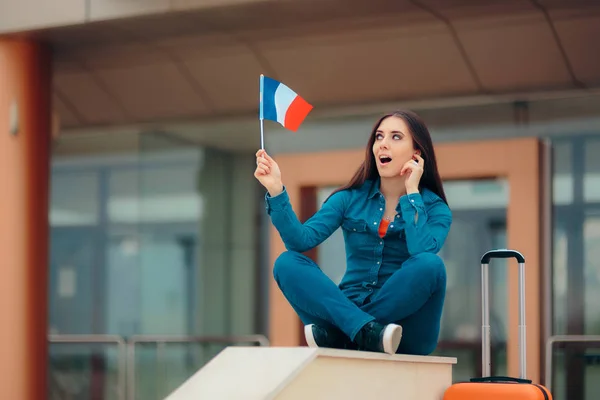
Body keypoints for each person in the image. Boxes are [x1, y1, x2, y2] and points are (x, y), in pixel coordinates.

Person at [254, 110, 452, 355]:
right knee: (286, 263)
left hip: (404, 331)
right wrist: (276, 190)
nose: (383, 144)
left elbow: (420, 251)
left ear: (416, 153)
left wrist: (412, 193)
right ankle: (363, 332)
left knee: (430, 265)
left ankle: (350, 332)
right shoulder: (348, 199)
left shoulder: (436, 209)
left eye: (396, 137)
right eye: (379, 137)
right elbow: (299, 241)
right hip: (348, 307)